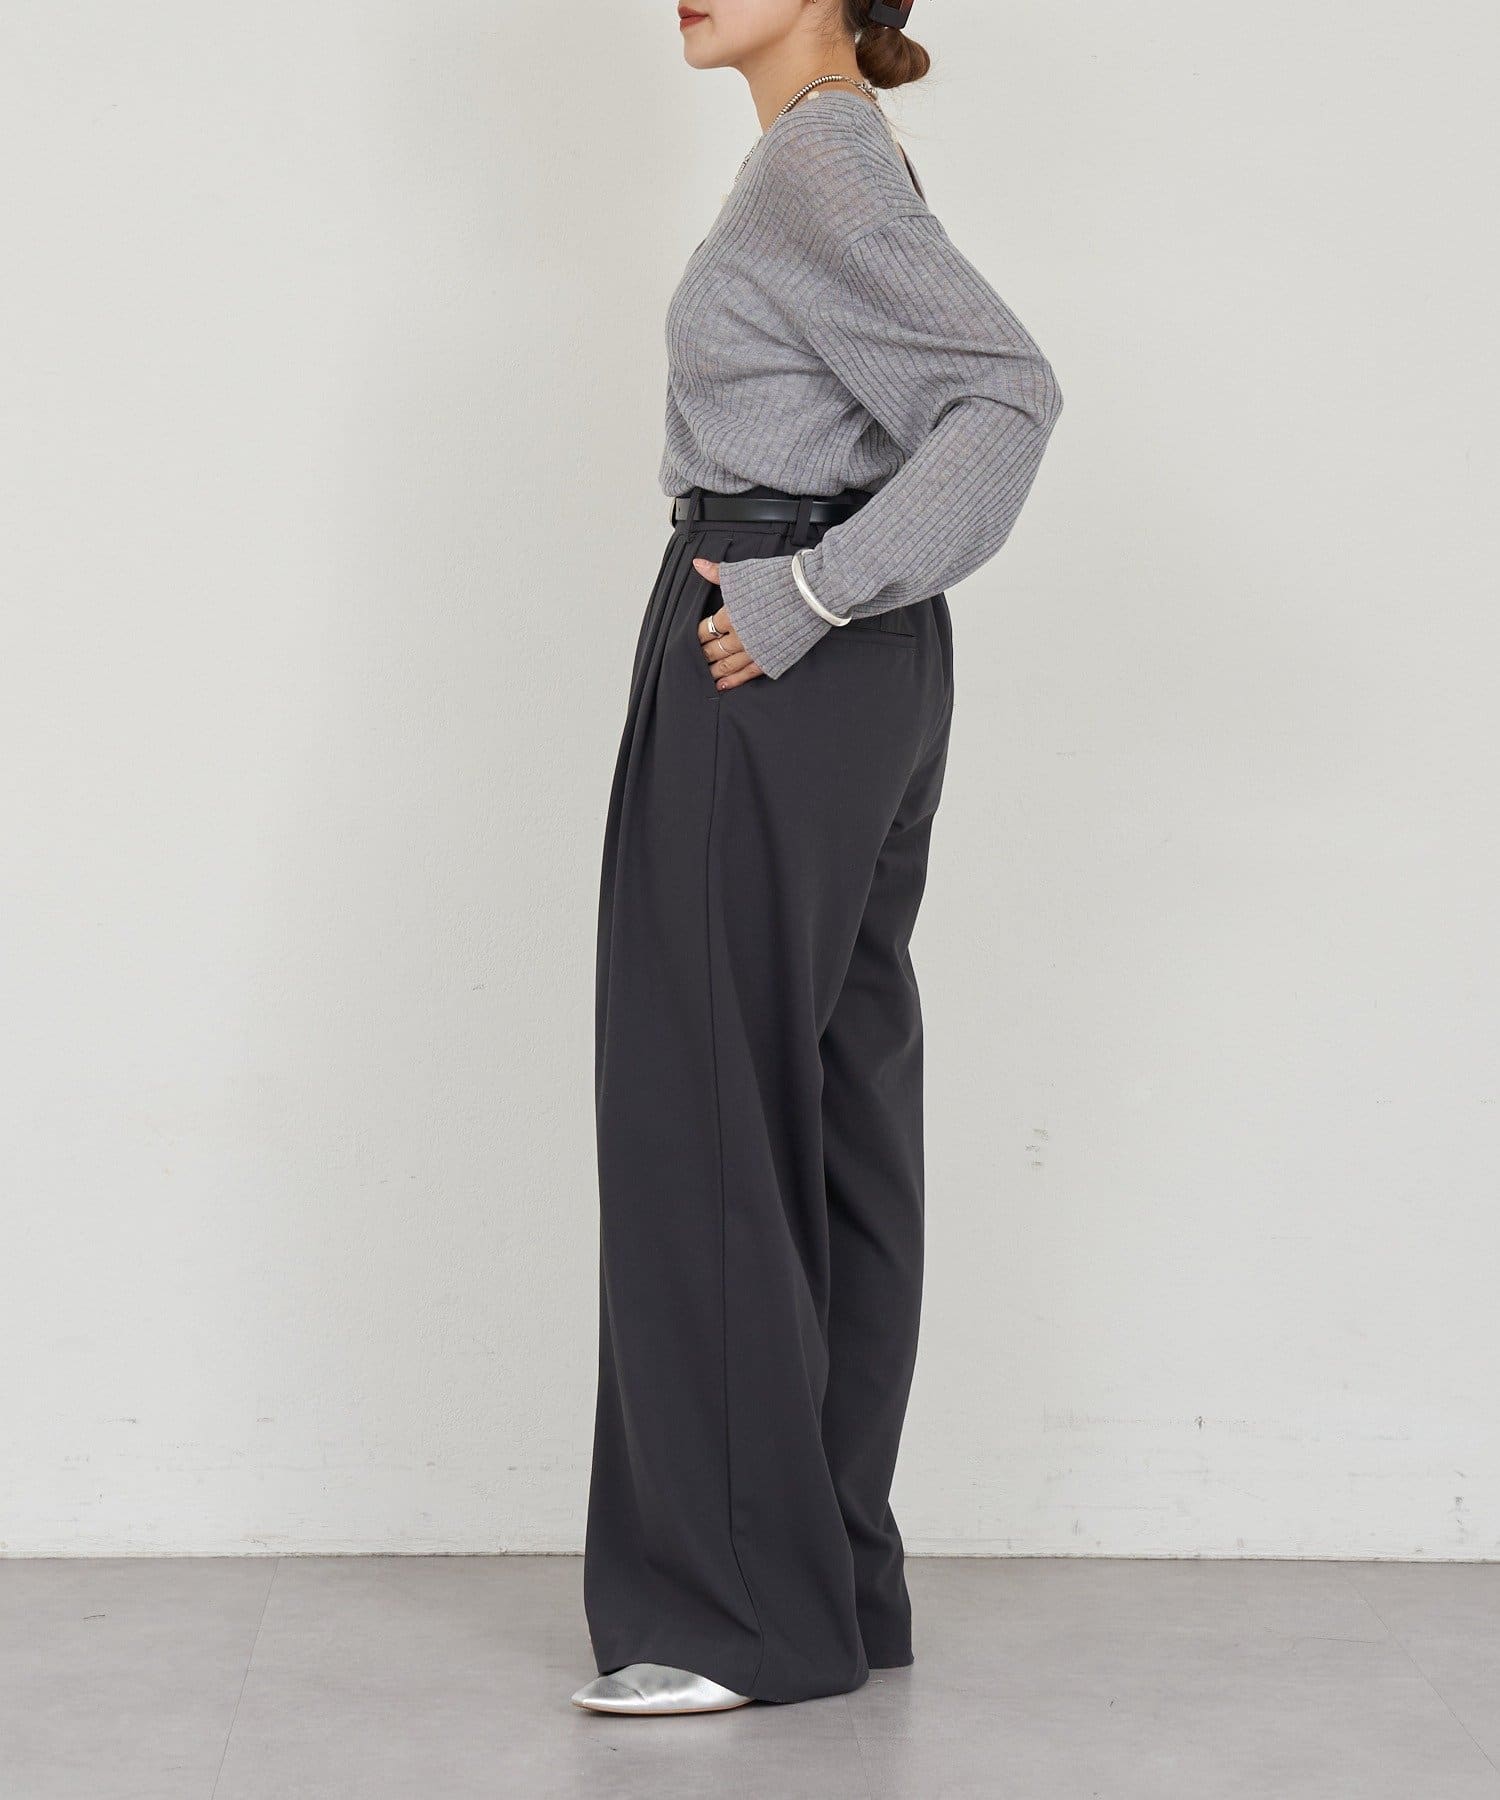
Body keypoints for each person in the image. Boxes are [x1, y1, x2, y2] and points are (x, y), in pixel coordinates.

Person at [572, 0, 1063, 1716]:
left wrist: (811, 595)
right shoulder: (838, 155)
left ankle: (733, 1616)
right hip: (840, 660)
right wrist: (833, 603)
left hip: (777, 639)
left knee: (705, 1106)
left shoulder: (819, 160)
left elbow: (1005, 395)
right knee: (835, 1108)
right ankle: (831, 1578)